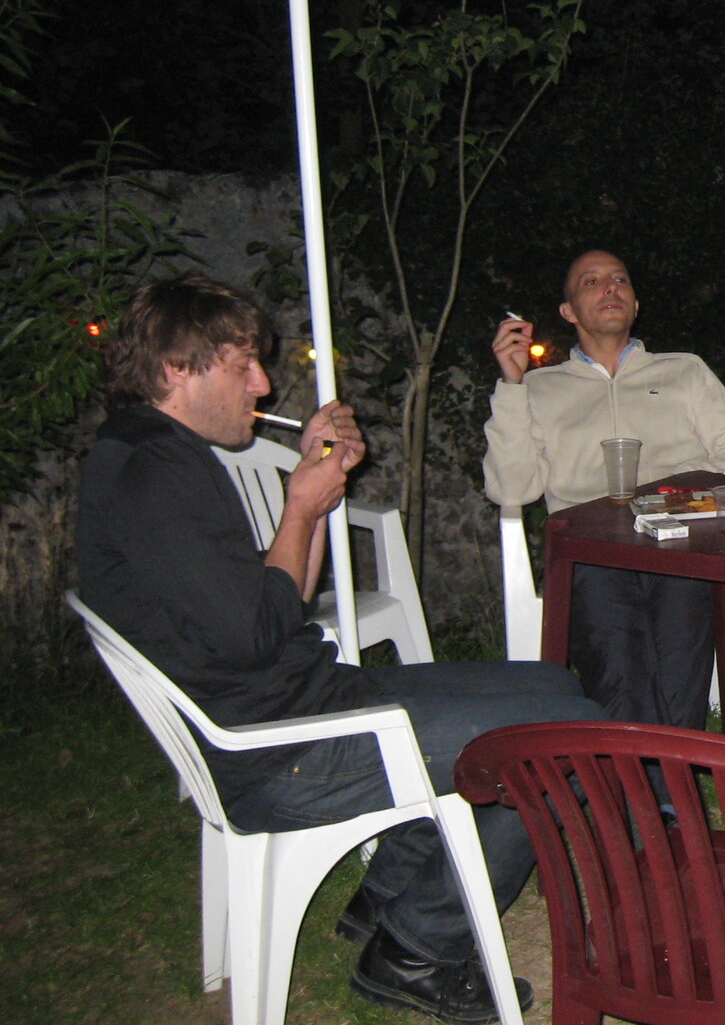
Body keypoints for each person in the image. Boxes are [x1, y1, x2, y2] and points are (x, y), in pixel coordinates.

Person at [78, 274, 606, 1024]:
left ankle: (387, 893)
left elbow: (274, 604)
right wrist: (302, 505)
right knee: (567, 738)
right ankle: (418, 949)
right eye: (242, 366)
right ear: (177, 369)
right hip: (281, 752)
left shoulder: (150, 451)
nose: (262, 384)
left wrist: (313, 489)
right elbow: (259, 633)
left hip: (299, 704)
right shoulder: (155, 475)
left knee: (554, 685)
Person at [482, 249, 725, 729]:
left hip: (680, 534)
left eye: (620, 279)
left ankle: (666, 768)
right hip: (592, 547)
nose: (610, 288)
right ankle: (644, 772)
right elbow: (511, 488)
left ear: (635, 304)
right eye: (591, 282)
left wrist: (688, 495)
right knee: (619, 659)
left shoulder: (683, 371)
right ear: (569, 311)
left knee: (679, 647)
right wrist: (511, 386)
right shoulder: (539, 389)